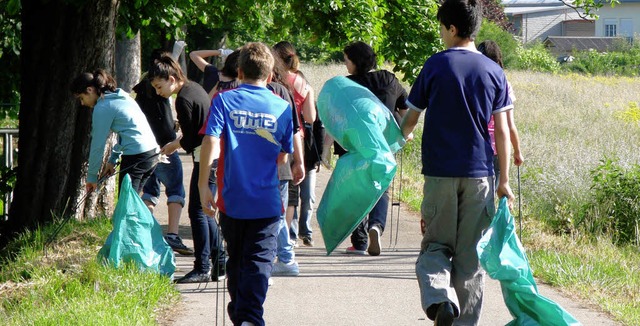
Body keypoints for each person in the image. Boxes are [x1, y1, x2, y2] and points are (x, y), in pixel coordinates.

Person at [399, 0, 515, 324]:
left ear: (452, 28)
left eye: (441, 27)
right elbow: (503, 131)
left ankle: (439, 301)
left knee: (435, 245)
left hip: (440, 173)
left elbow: (410, 119)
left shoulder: (435, 65)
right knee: (470, 257)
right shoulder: (495, 72)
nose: (441, 34)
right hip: (481, 175)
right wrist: (503, 180)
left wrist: (397, 138)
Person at [199, 42, 301, 326]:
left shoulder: (223, 100)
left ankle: (245, 316)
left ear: (240, 72)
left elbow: (210, 140)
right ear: (270, 77)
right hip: (266, 202)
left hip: (232, 200)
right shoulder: (281, 106)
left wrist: (203, 185)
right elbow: (283, 155)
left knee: (237, 261)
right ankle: (249, 318)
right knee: (258, 263)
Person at [147, 54, 225, 283]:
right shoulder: (195, 88)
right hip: (214, 153)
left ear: (172, 79)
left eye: (159, 86)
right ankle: (219, 262)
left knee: (198, 211)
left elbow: (192, 138)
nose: (159, 92)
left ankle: (203, 267)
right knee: (205, 209)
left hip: (207, 155)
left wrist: (174, 144)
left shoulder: (182, 99)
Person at [337, 41, 409, 256]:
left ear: (354, 61)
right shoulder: (388, 79)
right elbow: (405, 108)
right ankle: (376, 226)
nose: (345, 64)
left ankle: (358, 242)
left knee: (356, 189)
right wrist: (405, 133)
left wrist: (325, 148)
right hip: (383, 145)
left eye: (346, 59)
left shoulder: (346, 85)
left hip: (355, 147)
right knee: (381, 187)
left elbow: (337, 119)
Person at [133, 49, 192, 256]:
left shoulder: (142, 88)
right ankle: (173, 235)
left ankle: (148, 236)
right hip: (165, 146)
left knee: (150, 192)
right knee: (176, 190)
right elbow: (164, 119)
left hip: (145, 148)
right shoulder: (161, 86)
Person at [70, 69, 158, 194]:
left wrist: (91, 177)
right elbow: (125, 134)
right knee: (133, 203)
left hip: (136, 156)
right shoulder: (121, 96)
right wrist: (113, 160)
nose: (82, 103)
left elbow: (97, 146)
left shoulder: (102, 107)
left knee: (126, 206)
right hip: (151, 153)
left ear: (90, 90)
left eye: (81, 98)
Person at [272, 41, 317, 247]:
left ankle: (283, 234)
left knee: (282, 187)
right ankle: (297, 232)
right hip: (300, 140)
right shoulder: (303, 82)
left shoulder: (275, 81)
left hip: (276, 138)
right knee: (298, 188)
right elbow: (310, 117)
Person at [268, 48, 305, 277]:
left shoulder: (249, 91)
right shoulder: (284, 91)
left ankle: (285, 258)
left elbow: (294, 129)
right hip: (282, 161)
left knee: (274, 213)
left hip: (268, 161)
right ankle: (283, 256)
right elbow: (296, 130)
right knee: (278, 212)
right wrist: (299, 161)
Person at [477, 40, 524, 185]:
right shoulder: (504, 84)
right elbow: (510, 125)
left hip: (475, 146)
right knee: (493, 193)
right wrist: (517, 151)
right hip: (497, 149)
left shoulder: (473, 81)